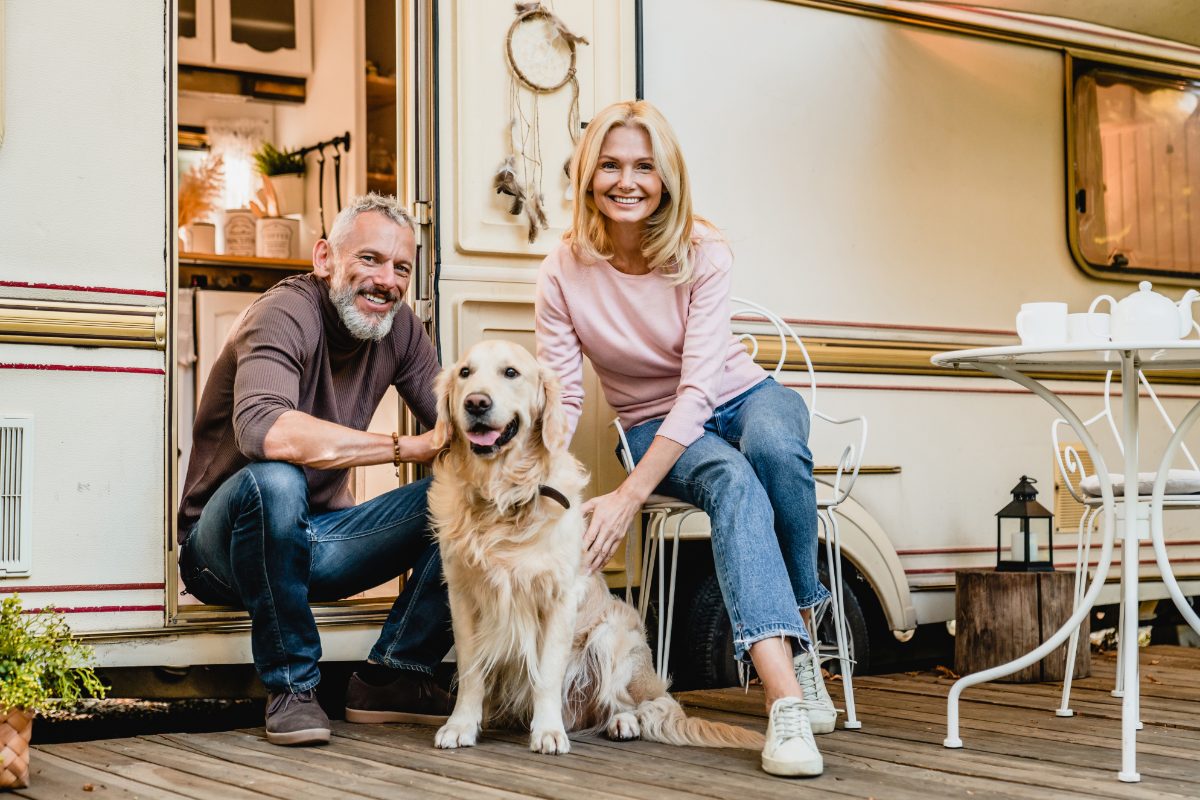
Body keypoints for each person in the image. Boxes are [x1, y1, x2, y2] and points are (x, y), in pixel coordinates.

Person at [535, 101, 832, 778]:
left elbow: (701, 390)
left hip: (742, 395)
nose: (627, 180)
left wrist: (627, 498)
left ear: (667, 177)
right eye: (609, 165)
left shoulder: (702, 248)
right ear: (587, 176)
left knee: (772, 451)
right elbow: (564, 393)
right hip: (648, 423)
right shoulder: (562, 270)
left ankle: (804, 642)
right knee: (732, 482)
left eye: (644, 165)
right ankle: (787, 703)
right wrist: (536, 479)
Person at [178, 193, 453, 747]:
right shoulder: (284, 312)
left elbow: (458, 429)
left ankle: (395, 675)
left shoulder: (400, 330)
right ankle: (293, 687)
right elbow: (266, 431)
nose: (388, 281)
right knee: (276, 478)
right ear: (325, 257)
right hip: (221, 554)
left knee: (469, 496)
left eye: (402, 267)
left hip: (316, 545)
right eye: (371, 259)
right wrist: (405, 447)